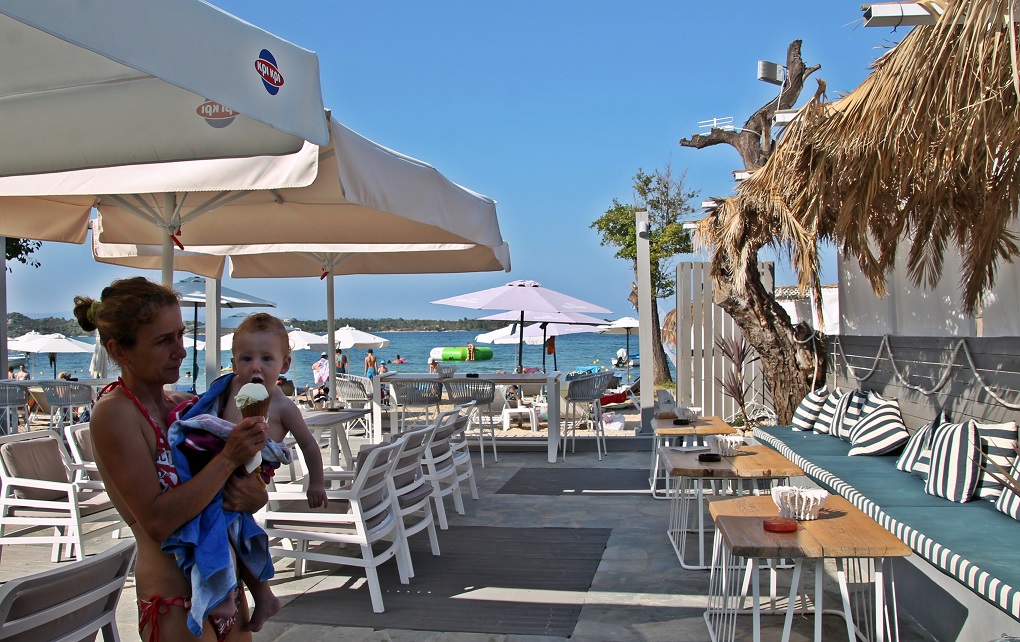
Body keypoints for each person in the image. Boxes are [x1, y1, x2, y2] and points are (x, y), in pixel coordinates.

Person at [74, 277, 269, 641]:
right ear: (119, 351)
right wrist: (229, 458)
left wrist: (256, 495)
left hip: (225, 589)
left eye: (180, 335)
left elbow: (233, 491)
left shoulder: (185, 406)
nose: (180, 350)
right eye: (164, 341)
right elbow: (157, 521)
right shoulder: (115, 413)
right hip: (174, 603)